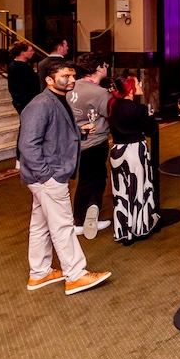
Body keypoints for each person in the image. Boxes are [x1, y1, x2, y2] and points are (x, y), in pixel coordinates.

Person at [18, 59, 112, 295]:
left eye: (72, 76)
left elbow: (53, 133)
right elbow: (28, 145)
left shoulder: (58, 99)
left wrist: (79, 131)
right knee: (63, 225)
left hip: (47, 175)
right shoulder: (40, 105)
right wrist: (47, 176)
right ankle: (76, 275)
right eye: (65, 76)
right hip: (47, 176)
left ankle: (39, 273)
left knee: (40, 226)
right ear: (49, 80)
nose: (71, 80)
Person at [106, 74, 160, 244]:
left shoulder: (112, 105)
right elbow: (151, 131)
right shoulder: (138, 108)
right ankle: (139, 228)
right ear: (130, 89)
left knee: (121, 192)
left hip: (117, 151)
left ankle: (123, 230)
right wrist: (150, 116)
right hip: (135, 150)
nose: (141, 84)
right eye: (137, 83)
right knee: (137, 190)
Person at [68, 53, 113, 239]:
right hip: (95, 141)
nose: (107, 67)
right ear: (99, 68)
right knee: (92, 180)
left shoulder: (72, 86)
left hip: (75, 141)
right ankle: (80, 219)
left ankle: (88, 214)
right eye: (105, 65)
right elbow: (113, 114)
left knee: (91, 178)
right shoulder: (100, 93)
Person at [7, 41, 40, 115]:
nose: (33, 52)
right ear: (23, 53)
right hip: (25, 102)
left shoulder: (23, 65)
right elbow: (16, 87)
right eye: (30, 50)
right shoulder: (17, 67)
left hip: (29, 101)